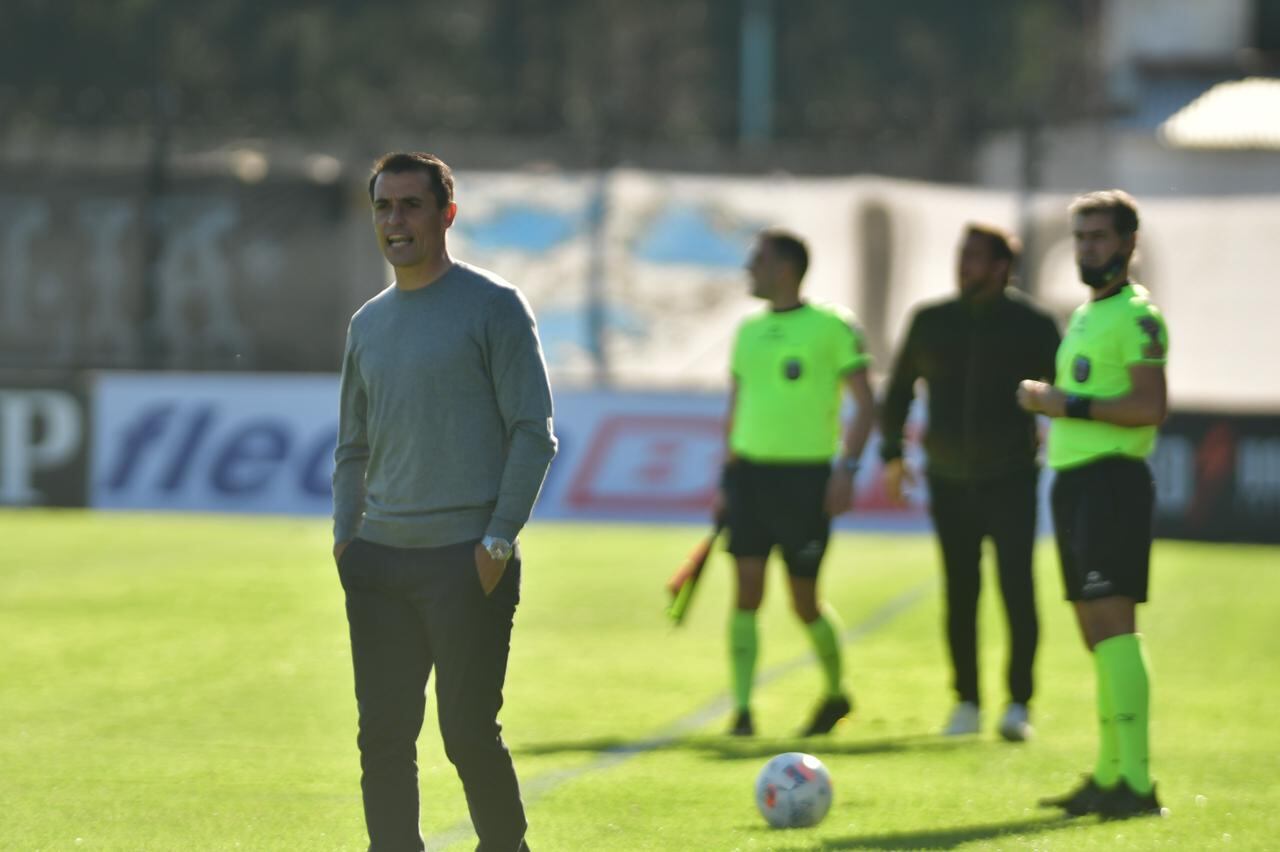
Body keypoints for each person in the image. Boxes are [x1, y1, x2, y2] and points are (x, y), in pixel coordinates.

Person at [332, 151, 557, 851]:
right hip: (380, 563)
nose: (395, 221)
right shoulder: (367, 324)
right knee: (384, 739)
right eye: (383, 207)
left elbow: (533, 431)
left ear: (446, 215)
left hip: (466, 563)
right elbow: (352, 448)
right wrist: (347, 539)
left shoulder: (493, 306)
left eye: (411, 205)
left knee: (466, 734)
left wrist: (496, 541)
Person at [1019, 189, 1168, 819]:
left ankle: (1137, 782)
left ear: (1128, 244)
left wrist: (1065, 406)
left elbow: (1148, 406)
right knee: (1093, 633)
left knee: (1114, 627)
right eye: (1080, 238)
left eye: (1099, 237)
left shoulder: (1138, 317)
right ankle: (1109, 774)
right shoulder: (1086, 313)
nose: (1087, 249)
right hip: (1077, 482)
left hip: (1112, 483)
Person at [879, 224, 1060, 742]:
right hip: (948, 478)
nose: (964, 264)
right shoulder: (931, 320)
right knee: (960, 593)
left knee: (1016, 589)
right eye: (961, 254)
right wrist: (894, 455)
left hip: (1011, 477)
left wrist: (1048, 409)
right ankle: (966, 700)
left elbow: (1068, 389)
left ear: (1003, 266)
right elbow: (897, 393)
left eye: (975, 256)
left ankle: (1019, 701)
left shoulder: (1032, 323)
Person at [718, 228, 875, 737]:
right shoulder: (747, 331)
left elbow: (866, 405)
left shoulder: (833, 326)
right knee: (745, 591)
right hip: (750, 478)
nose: (748, 268)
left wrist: (846, 470)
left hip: (806, 480)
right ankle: (742, 712)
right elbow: (737, 406)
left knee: (803, 599)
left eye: (756, 259)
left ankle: (834, 694)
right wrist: (727, 477)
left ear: (784, 268)